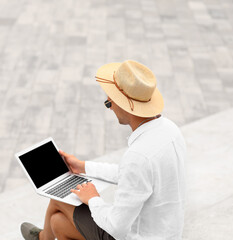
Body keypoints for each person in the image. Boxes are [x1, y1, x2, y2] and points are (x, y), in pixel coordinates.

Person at [20, 60, 186, 240]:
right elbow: (134, 174)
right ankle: (44, 237)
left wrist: (92, 198)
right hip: (167, 233)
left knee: (59, 200)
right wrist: (83, 167)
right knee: (58, 223)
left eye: (110, 102)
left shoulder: (138, 157)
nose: (109, 104)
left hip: (135, 235)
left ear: (125, 105)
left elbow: (116, 227)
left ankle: (42, 238)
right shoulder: (170, 129)